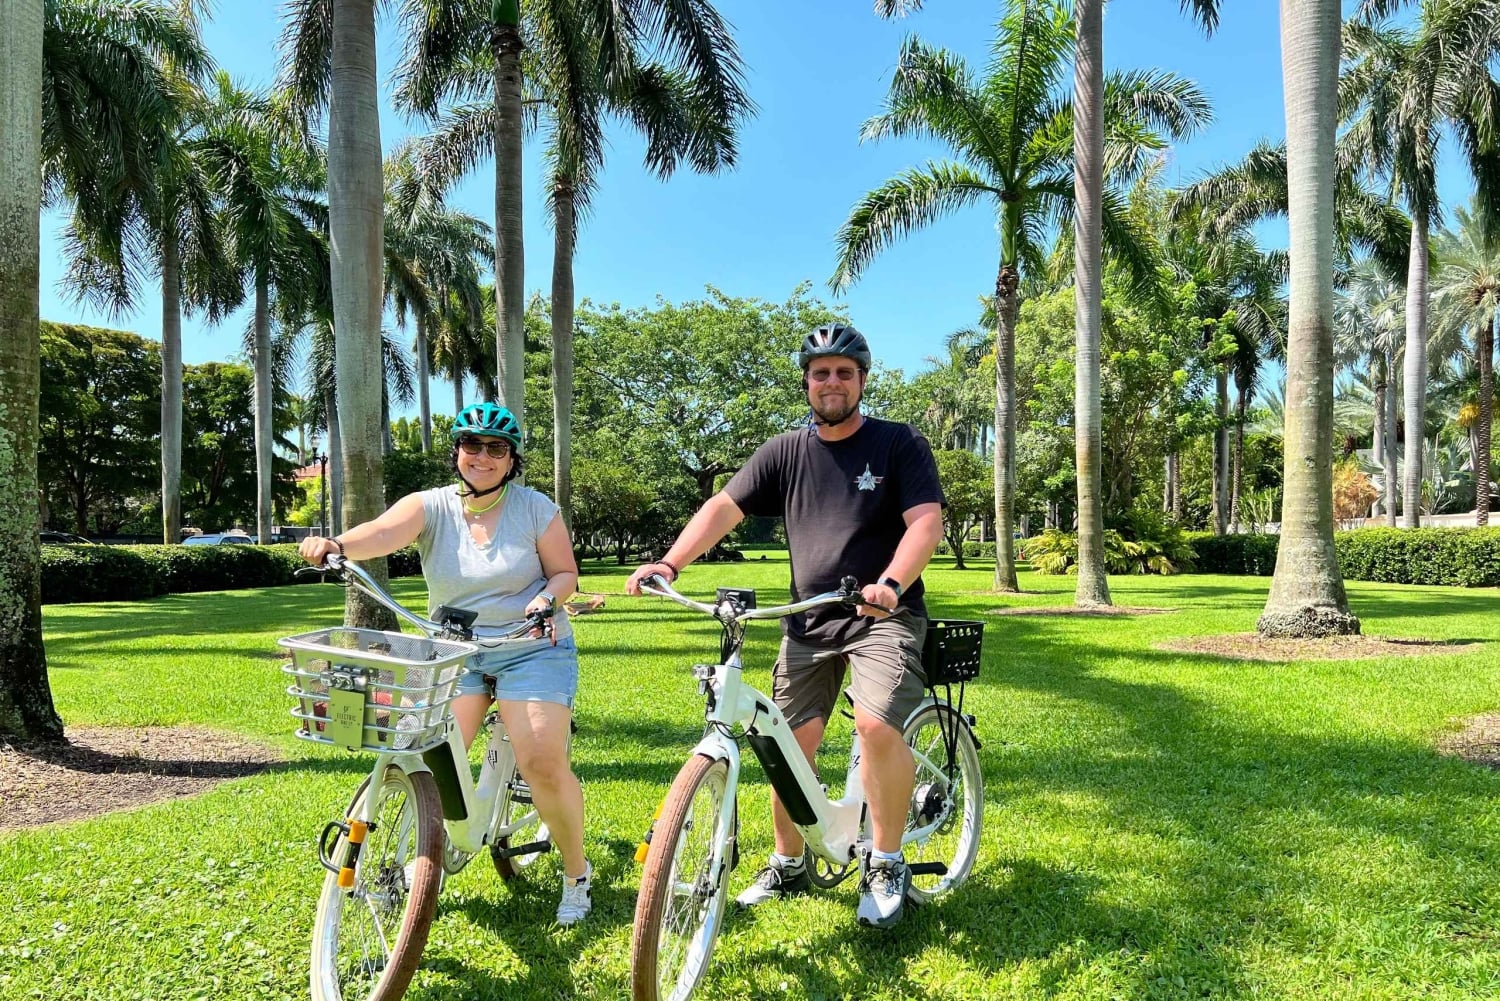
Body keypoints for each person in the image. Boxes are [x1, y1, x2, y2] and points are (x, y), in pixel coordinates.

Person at [626, 323, 945, 929]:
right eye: (820, 373)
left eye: (843, 373)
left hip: (882, 616)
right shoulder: (784, 451)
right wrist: (670, 561)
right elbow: (724, 506)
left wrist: (892, 585)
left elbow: (924, 523)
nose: (831, 383)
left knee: (877, 726)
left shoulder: (899, 444)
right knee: (782, 743)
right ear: (806, 382)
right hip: (806, 619)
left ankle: (886, 857)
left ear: (861, 382)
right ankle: (788, 861)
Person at [300, 402, 593, 926]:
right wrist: (338, 544)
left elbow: (565, 573)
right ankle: (427, 851)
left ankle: (576, 873)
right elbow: (385, 533)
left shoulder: (535, 509)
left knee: (543, 761)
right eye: (472, 445)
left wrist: (546, 599)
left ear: (511, 460)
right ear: (457, 451)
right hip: (455, 651)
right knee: (425, 755)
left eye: (496, 449)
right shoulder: (431, 506)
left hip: (531, 646)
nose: (482, 457)